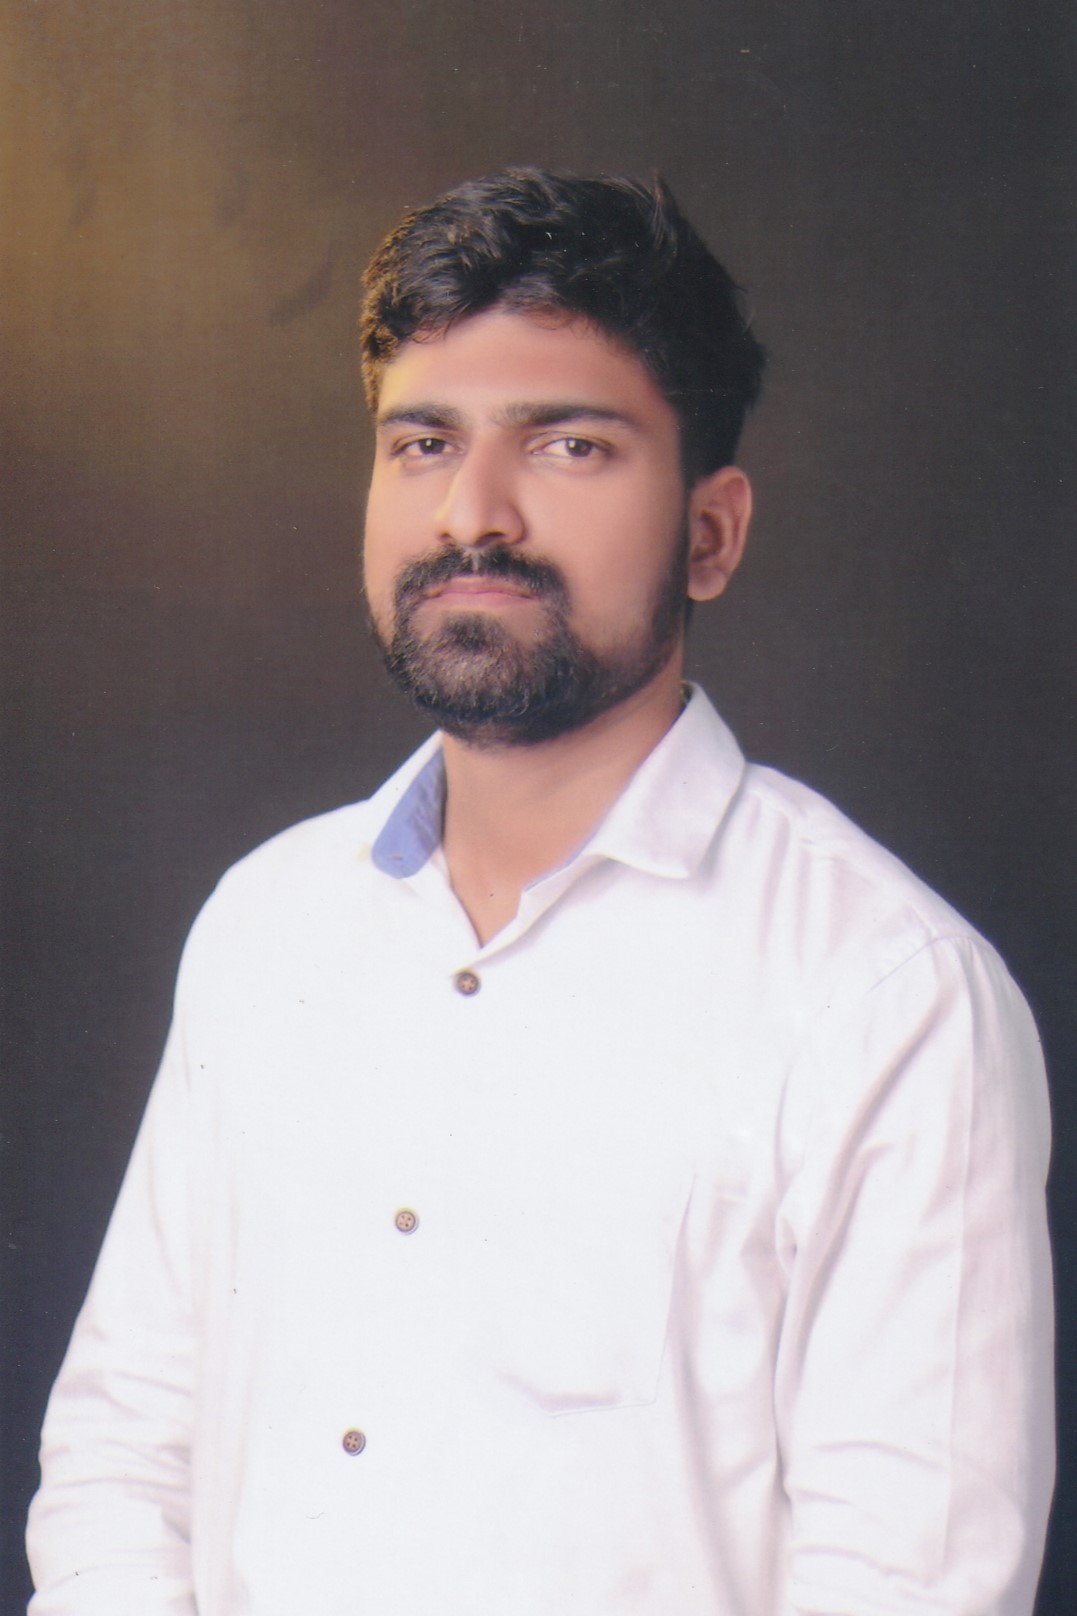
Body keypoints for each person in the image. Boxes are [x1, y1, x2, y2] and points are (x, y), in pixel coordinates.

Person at [27, 169, 1054, 1615]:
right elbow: (125, 1446)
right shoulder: (267, 925)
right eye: (423, 442)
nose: (475, 513)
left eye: (570, 445)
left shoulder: (884, 995)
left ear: (711, 533)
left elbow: (910, 1581)